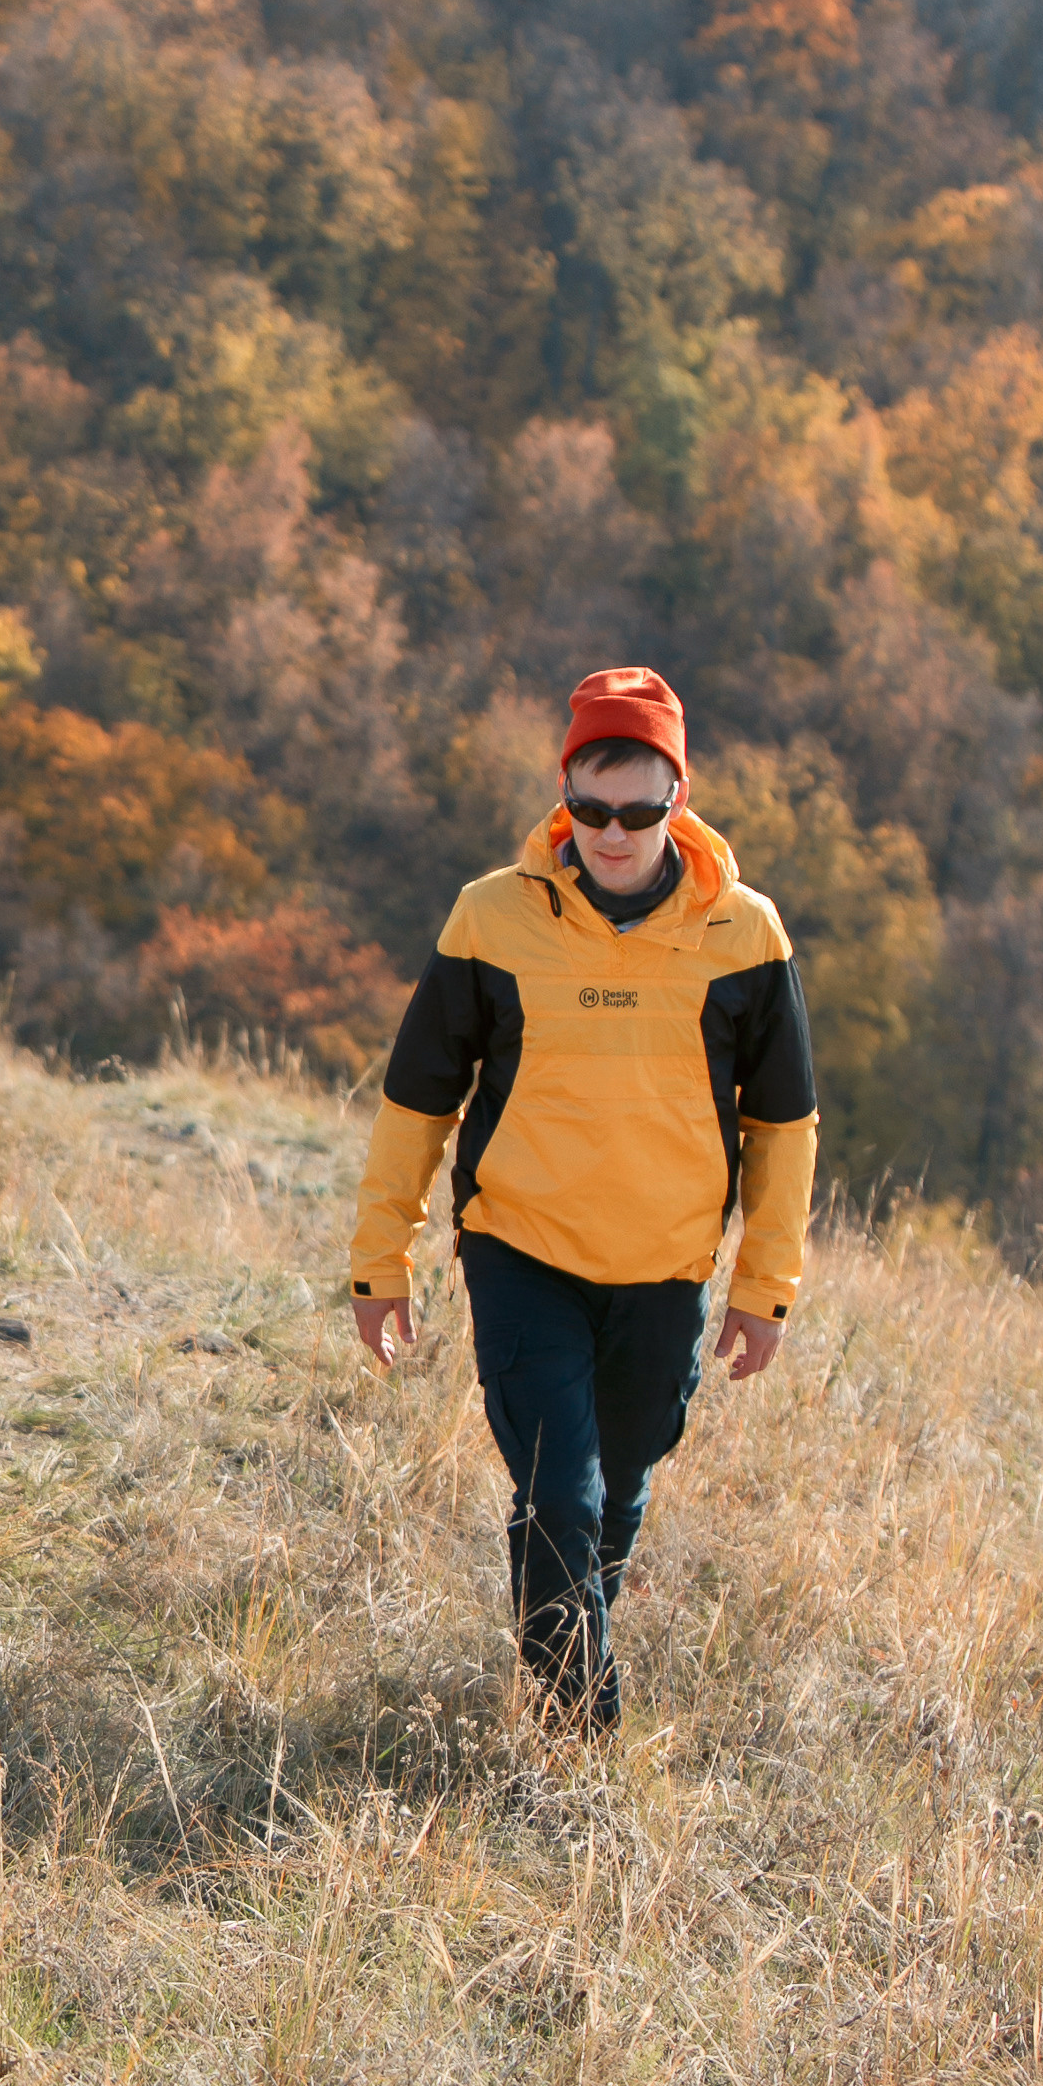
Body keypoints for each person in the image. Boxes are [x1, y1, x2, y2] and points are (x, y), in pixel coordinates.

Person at [346, 665, 817, 1733]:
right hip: (522, 1249)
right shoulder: (488, 917)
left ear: (675, 802)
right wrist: (382, 1258)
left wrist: (763, 1287)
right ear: (565, 797)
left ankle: (566, 1653)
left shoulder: (745, 934)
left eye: (637, 810)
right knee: (559, 1490)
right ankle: (575, 1741)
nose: (611, 832)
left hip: (664, 1264)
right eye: (590, 809)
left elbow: (782, 1128)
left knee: (616, 1484)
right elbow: (416, 1101)